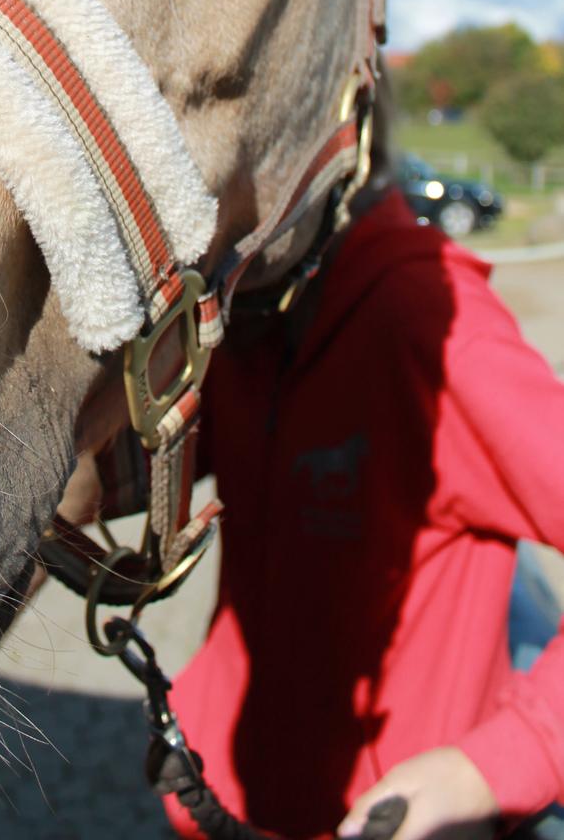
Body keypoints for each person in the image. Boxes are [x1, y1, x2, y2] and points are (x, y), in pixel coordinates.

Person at [162, 133, 564, 840]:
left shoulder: (431, 326)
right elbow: (136, 483)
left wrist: (496, 765)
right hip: (225, 805)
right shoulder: (247, 312)